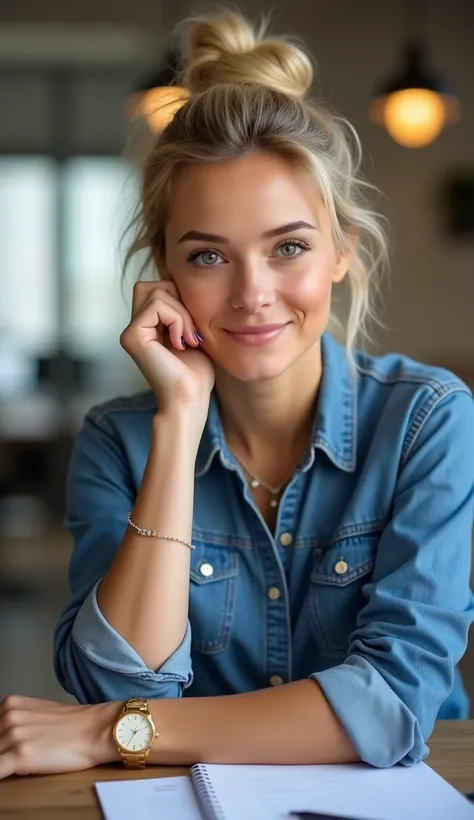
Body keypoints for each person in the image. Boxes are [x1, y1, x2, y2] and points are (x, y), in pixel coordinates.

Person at [1, 9, 473, 781]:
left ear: (343, 251)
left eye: (289, 247)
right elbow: (124, 684)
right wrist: (181, 419)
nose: (254, 293)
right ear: (164, 271)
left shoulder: (428, 421)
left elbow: (392, 703)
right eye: (209, 255)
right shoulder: (120, 441)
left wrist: (103, 734)